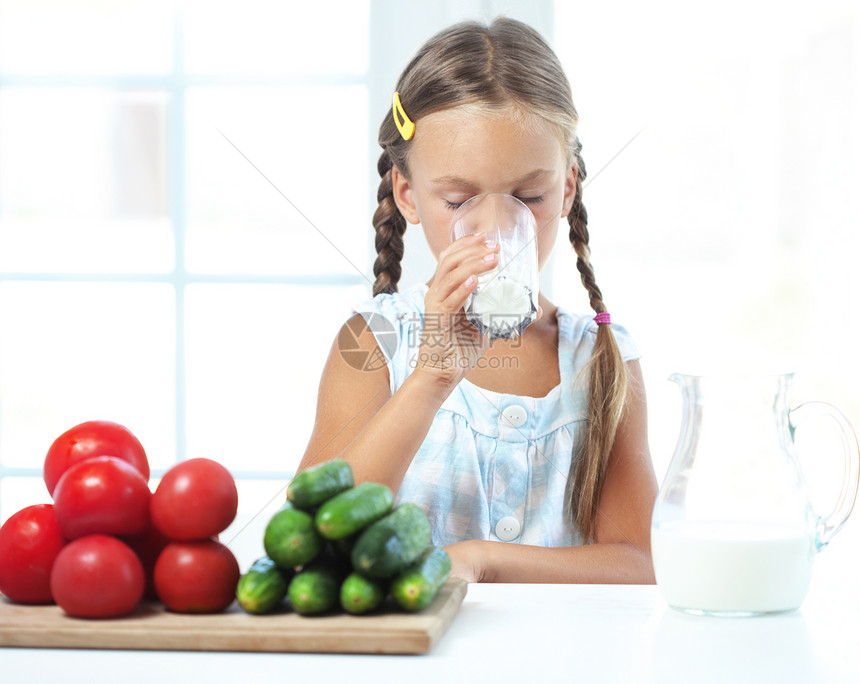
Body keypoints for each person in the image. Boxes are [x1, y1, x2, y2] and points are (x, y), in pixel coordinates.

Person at [298, 17, 658, 583]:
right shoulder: (374, 343)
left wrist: (485, 559)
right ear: (408, 194)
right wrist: (432, 376)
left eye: (529, 196)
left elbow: (640, 562)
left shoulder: (602, 357)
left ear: (567, 189)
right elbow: (312, 541)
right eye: (460, 198)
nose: (494, 228)